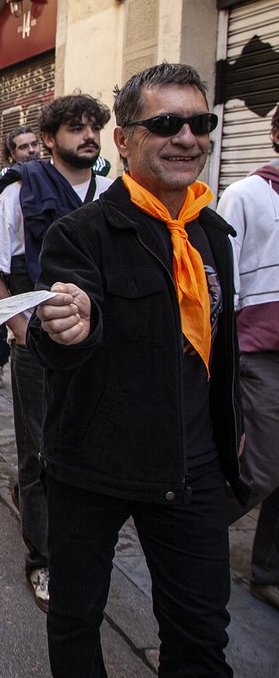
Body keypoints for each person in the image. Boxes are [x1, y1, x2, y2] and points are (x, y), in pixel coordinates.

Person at [32, 63, 246, 675]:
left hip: (193, 467)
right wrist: (73, 324)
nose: (188, 138)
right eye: (167, 123)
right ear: (125, 140)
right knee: (76, 619)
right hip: (94, 466)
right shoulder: (80, 233)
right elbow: (64, 331)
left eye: (199, 123)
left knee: (201, 635)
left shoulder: (213, 233)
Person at [0, 93, 112, 613]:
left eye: (94, 127)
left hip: (96, 350)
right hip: (38, 351)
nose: (88, 136)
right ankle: (44, 559)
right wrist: (21, 329)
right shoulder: (19, 193)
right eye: (76, 128)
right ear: (51, 139)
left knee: (86, 446)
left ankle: (72, 534)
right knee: (40, 451)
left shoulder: (113, 193)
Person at [217, 105, 279, 611]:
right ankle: (186, 533)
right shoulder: (244, 196)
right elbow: (220, 281)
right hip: (261, 352)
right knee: (261, 467)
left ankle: (269, 572)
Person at [0, 126, 42, 388]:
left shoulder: (49, 181)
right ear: (11, 153)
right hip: (18, 282)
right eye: (24, 146)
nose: (31, 150)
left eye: (34, 144)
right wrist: (20, 330)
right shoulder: (10, 187)